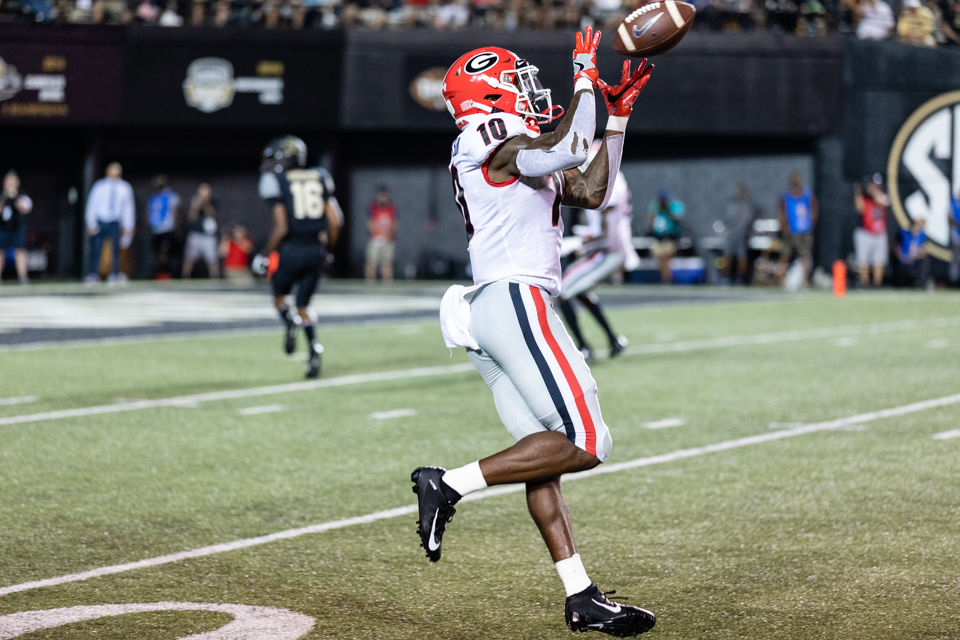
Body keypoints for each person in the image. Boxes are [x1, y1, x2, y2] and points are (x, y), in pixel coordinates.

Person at [413, 30, 657, 637]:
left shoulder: (510, 146)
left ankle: (581, 596)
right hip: (517, 298)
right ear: (488, 92)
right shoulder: (486, 135)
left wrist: (618, 117)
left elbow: (592, 188)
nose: (528, 88)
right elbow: (573, 144)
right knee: (587, 438)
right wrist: (583, 74)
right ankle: (446, 484)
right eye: (517, 80)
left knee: (539, 460)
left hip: (497, 307)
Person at [255, 135, 342, 379]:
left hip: (292, 250)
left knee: (280, 295)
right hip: (316, 250)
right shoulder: (320, 175)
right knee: (304, 306)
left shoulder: (276, 180)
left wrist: (265, 252)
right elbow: (336, 221)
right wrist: (328, 250)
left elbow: (282, 226)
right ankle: (314, 346)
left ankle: (289, 321)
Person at [557, 163, 636, 362]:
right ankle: (613, 339)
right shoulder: (614, 184)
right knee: (578, 291)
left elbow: (606, 236)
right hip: (605, 251)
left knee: (563, 292)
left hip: (608, 253)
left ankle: (584, 347)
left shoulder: (611, 188)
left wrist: (580, 242)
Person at [85, 161, 135, 285]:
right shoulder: (99, 186)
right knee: (96, 249)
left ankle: (114, 274)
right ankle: (93, 273)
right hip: (101, 220)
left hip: (115, 221)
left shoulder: (125, 187)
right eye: (113, 169)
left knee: (116, 250)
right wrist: (91, 222)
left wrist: (129, 225)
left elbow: (128, 208)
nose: (115, 172)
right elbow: (92, 204)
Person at [777, 170, 818, 287]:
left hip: (804, 230)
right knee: (785, 255)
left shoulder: (807, 195)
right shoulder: (786, 195)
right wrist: (784, 226)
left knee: (805, 256)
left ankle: (805, 281)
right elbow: (782, 212)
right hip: (791, 230)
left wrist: (811, 223)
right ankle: (782, 280)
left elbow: (814, 209)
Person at [853, 173, 889, 287]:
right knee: (863, 261)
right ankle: (865, 284)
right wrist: (858, 192)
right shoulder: (864, 198)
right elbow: (859, 208)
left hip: (879, 233)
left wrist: (873, 192)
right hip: (865, 232)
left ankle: (877, 285)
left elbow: (884, 202)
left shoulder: (882, 196)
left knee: (879, 261)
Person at [0, 170, 33, 284]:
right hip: (2, 228)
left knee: (20, 251)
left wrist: (15, 197)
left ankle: (23, 277)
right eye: (8, 181)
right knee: (0, 252)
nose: (10, 184)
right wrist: (5, 197)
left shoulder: (23, 195)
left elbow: (26, 208)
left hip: (17, 228)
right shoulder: (1, 196)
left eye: (13, 181)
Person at [181, 182, 220, 279]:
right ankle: (185, 278)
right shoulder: (194, 201)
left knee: (212, 260)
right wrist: (196, 206)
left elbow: (212, 215)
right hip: (195, 234)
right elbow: (191, 217)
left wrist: (205, 204)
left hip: (208, 236)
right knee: (189, 259)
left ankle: (215, 279)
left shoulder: (213, 202)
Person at [646, 188, 684, 284]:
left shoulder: (674, 206)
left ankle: (667, 278)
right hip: (658, 238)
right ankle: (665, 277)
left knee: (667, 258)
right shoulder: (655, 207)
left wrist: (667, 210)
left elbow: (677, 220)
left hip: (669, 237)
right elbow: (650, 222)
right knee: (661, 260)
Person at [723, 183, 759, 284]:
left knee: (741, 257)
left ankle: (739, 278)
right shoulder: (733, 205)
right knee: (729, 256)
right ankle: (728, 277)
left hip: (741, 233)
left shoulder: (746, 206)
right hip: (732, 234)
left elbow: (748, 220)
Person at [147, 174, 180, 279]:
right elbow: (150, 213)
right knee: (157, 253)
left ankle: (168, 274)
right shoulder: (154, 197)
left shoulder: (171, 196)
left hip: (167, 229)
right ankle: (160, 274)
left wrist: (176, 225)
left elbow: (176, 212)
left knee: (166, 253)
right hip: (156, 230)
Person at [364, 185, 397, 283]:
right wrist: (376, 234)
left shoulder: (391, 208)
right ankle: (369, 283)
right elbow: (370, 223)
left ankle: (388, 283)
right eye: (381, 196)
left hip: (388, 239)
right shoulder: (373, 207)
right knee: (372, 262)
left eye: (384, 196)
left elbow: (394, 223)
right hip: (375, 238)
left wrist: (389, 235)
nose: (383, 198)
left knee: (387, 263)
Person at [895, 217, 929, 287]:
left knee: (925, 260)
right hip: (904, 261)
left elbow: (924, 251)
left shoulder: (922, 235)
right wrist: (903, 258)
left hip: (915, 261)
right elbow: (896, 248)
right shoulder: (903, 233)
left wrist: (916, 257)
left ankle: (921, 284)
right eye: (916, 225)